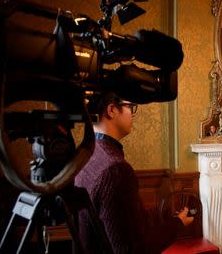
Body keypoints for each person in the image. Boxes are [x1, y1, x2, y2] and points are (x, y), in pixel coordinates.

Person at [75, 92, 194, 254]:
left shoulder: (86, 152)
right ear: (111, 110)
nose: (133, 114)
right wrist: (178, 223)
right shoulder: (115, 170)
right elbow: (134, 249)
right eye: (130, 107)